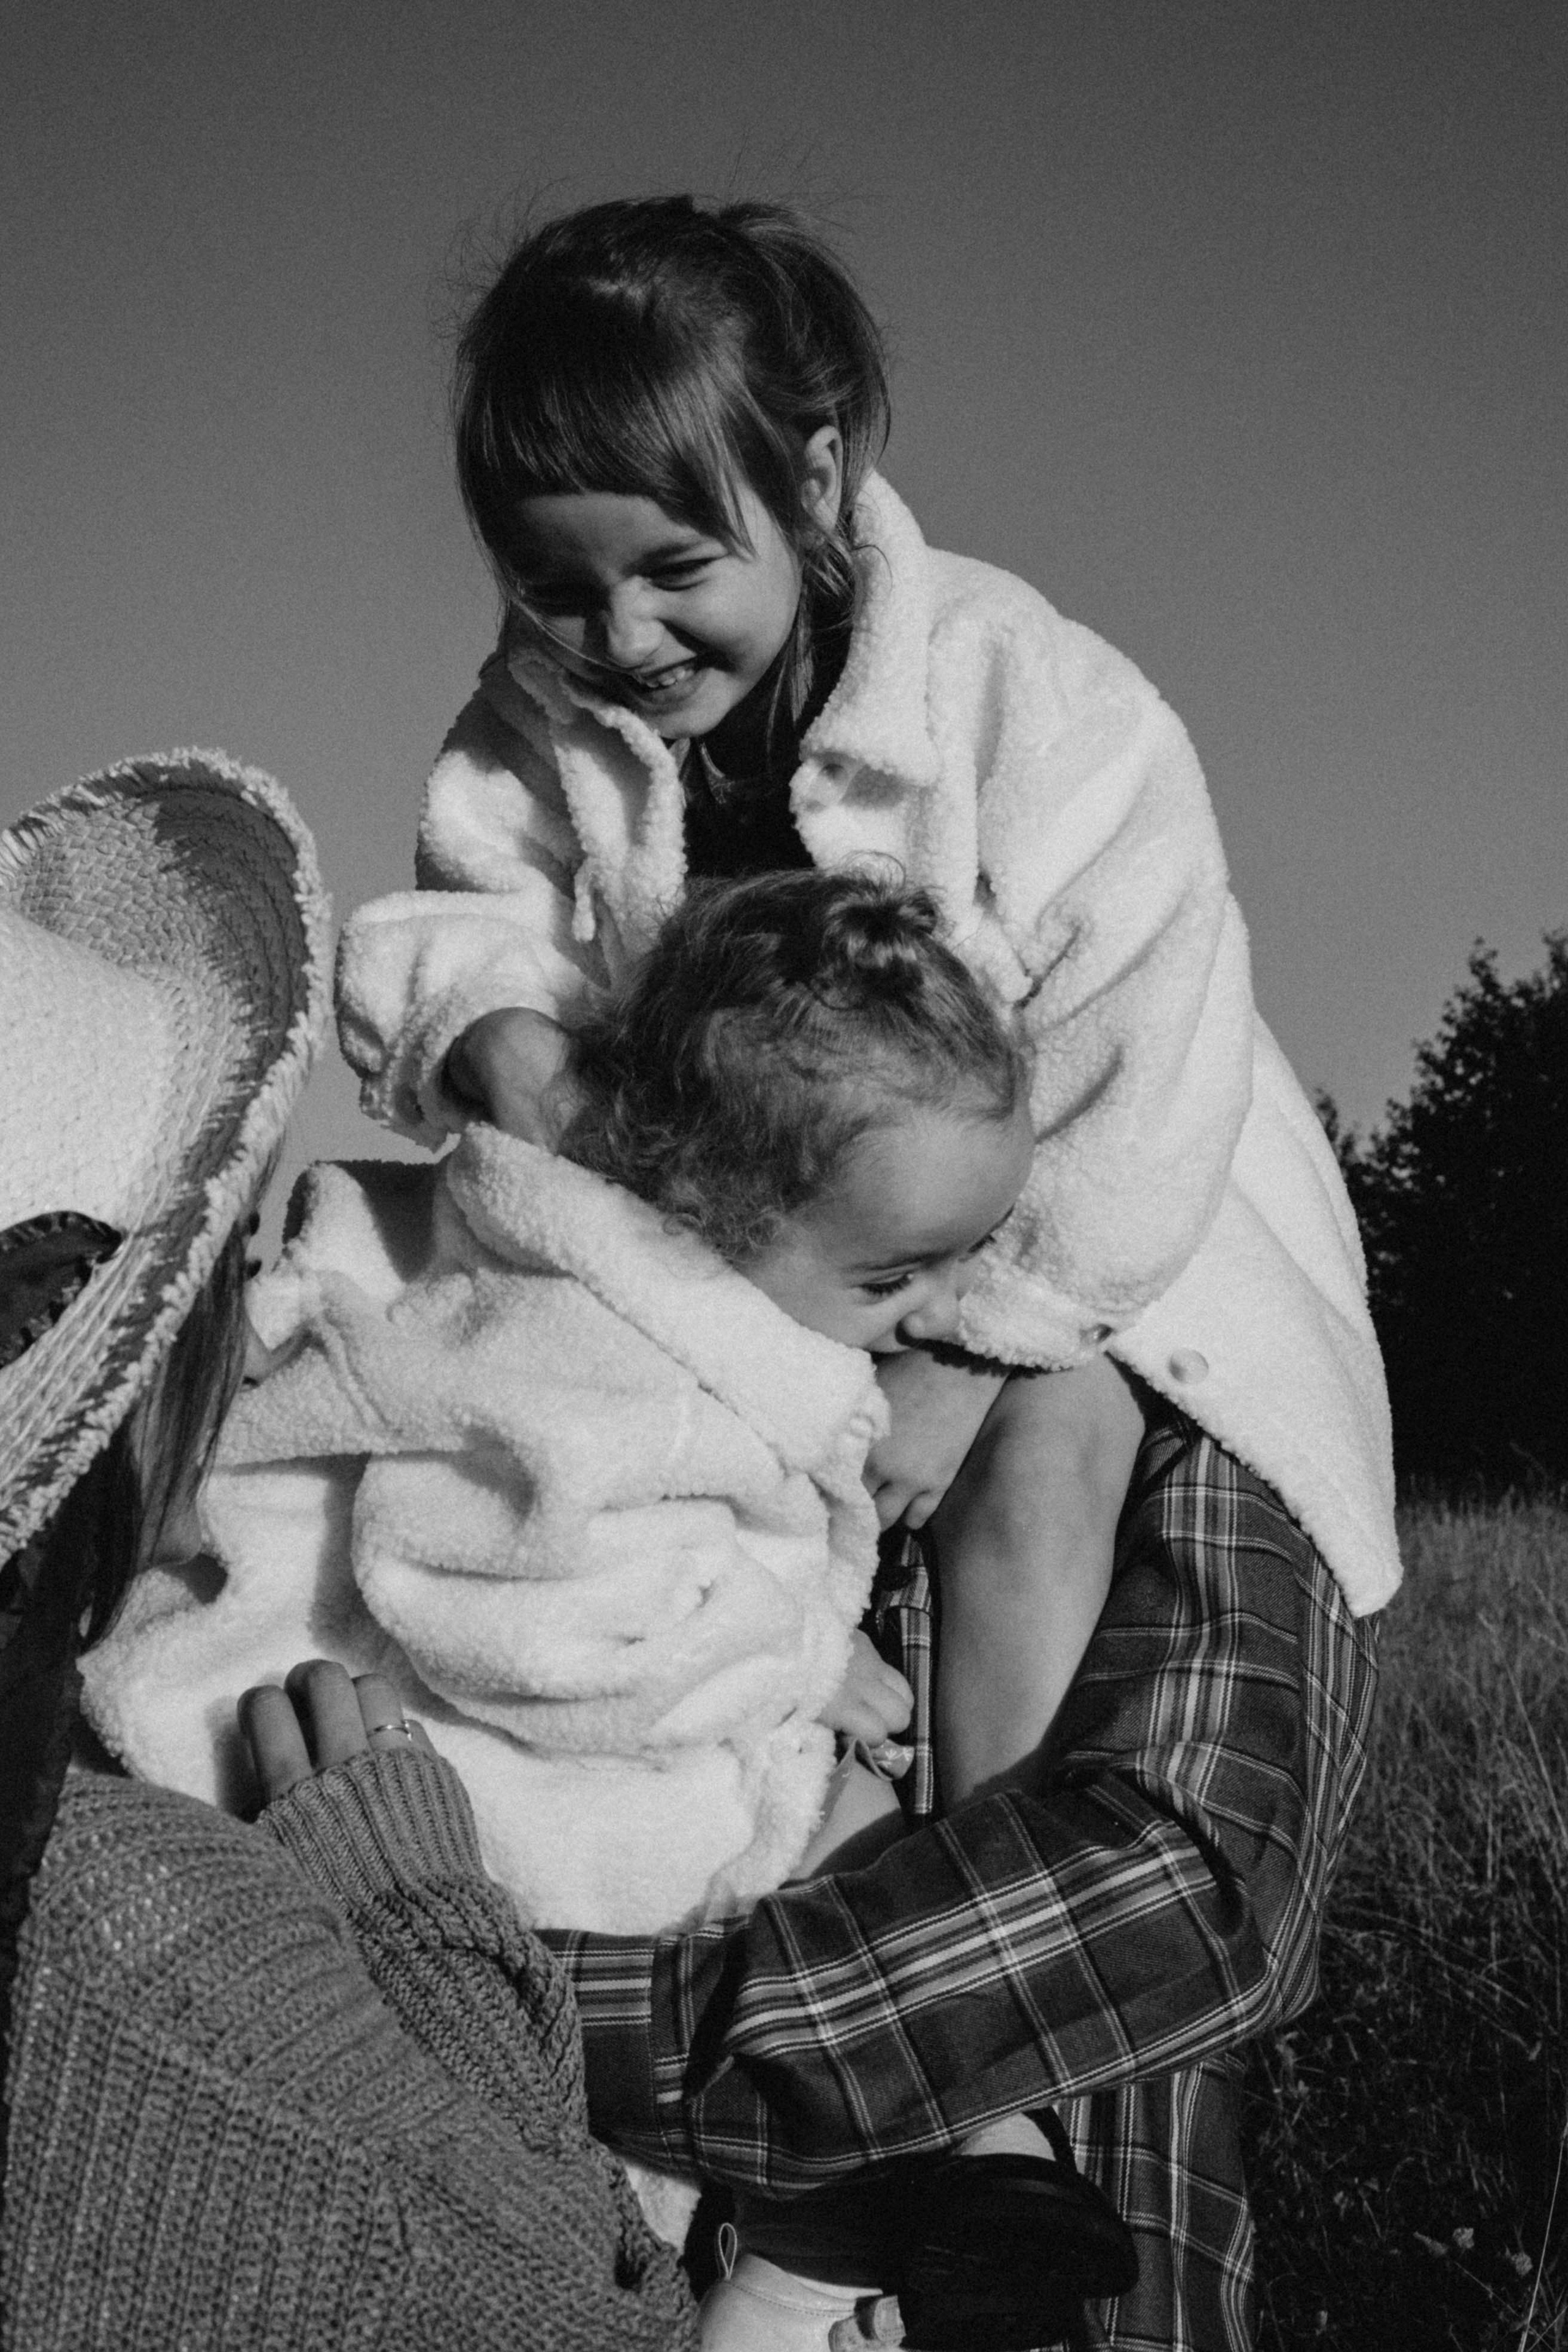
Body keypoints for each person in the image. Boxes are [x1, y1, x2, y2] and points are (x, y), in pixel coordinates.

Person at [321, 192, 1398, 2345]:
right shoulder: (535, 732)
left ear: (813, 482)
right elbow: (449, 923)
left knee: (1064, 1481)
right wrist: (483, 1030)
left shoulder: (1029, 692)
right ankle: (756, 2155)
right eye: (555, 586)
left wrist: (972, 1354)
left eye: (670, 567)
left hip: (1112, 1277)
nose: (617, 634)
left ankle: (802, 2004)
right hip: (736, 1323)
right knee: (736, 1686)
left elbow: (1143, 1080)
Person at [85, 868, 1137, 2345]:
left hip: (474, 1736)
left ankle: (879, 2199)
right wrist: (779, 1666)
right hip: (430, 1770)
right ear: (709, 1211)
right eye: (895, 1275)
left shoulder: (632, 1286)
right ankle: (824, 2235)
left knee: (850, 1845)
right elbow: (508, 1618)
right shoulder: (605, 1371)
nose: (928, 1313)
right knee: (823, 1882)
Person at [0, 755, 696, 2349]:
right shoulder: (138, 1947)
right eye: (213, 1288)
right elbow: (599, 2324)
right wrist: (420, 1924)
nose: (247, 1352)